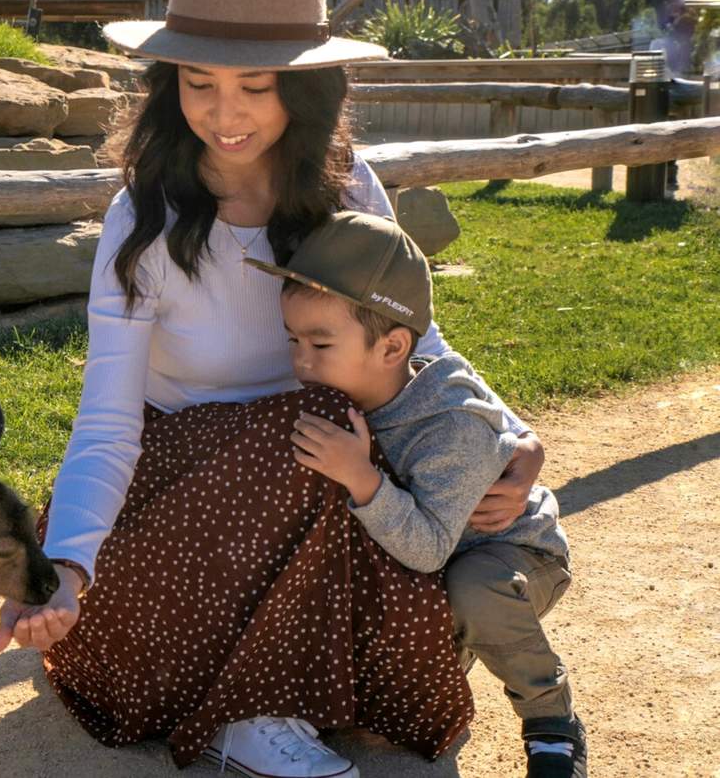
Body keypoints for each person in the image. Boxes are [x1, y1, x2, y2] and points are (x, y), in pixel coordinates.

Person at [0, 0, 546, 775]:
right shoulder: (140, 219)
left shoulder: (348, 188)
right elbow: (106, 420)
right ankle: (246, 707)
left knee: (363, 448)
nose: (224, 112)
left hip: (319, 468)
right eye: (198, 81)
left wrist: (509, 434)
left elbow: (408, 339)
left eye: (257, 86)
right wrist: (67, 565)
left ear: (304, 86)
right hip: (181, 500)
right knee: (317, 421)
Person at [246, 212, 585, 778]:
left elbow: (429, 548)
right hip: (420, 556)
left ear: (393, 346)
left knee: (472, 592)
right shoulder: (341, 392)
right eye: (293, 340)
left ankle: (551, 719)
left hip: (501, 556)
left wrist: (363, 479)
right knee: (380, 715)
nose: (301, 360)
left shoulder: (451, 426)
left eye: (320, 343)